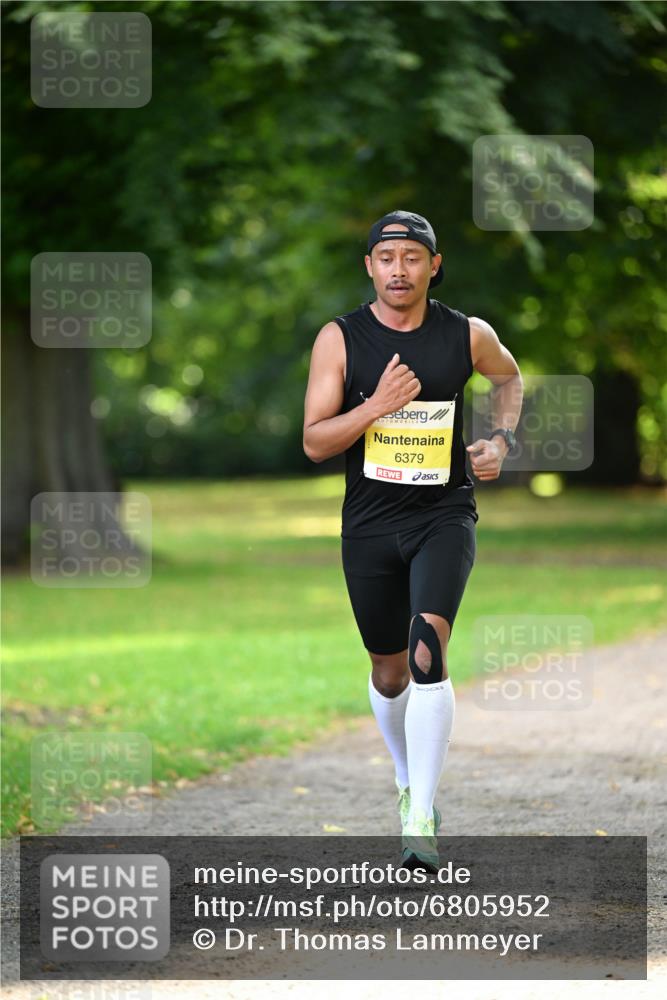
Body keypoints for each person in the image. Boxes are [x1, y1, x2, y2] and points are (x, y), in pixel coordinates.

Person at [303, 210, 522, 872]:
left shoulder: (466, 335)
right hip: (368, 524)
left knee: (429, 652)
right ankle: (405, 781)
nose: (399, 269)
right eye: (385, 257)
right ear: (369, 266)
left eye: (411, 257)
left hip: (443, 515)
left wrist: (500, 441)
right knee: (389, 669)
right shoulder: (340, 339)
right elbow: (314, 441)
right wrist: (375, 407)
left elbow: (508, 379)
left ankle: (421, 817)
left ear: (434, 264)